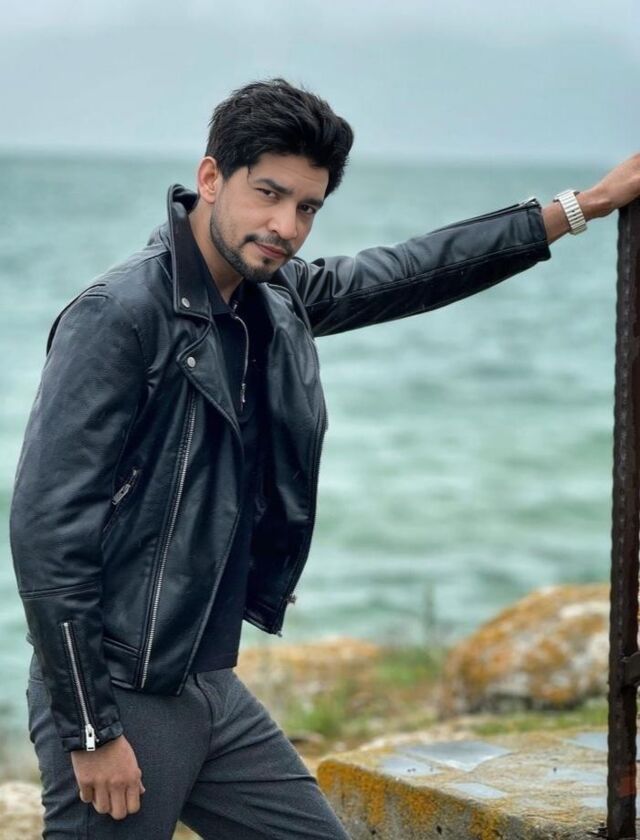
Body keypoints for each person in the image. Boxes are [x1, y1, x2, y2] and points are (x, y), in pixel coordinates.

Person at [9, 76, 640, 839]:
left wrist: (583, 206)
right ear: (211, 178)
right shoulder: (121, 315)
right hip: (122, 689)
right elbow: (46, 532)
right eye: (268, 194)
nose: (286, 225)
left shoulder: (270, 299)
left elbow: (407, 272)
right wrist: (90, 729)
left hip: (206, 681)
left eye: (307, 207)